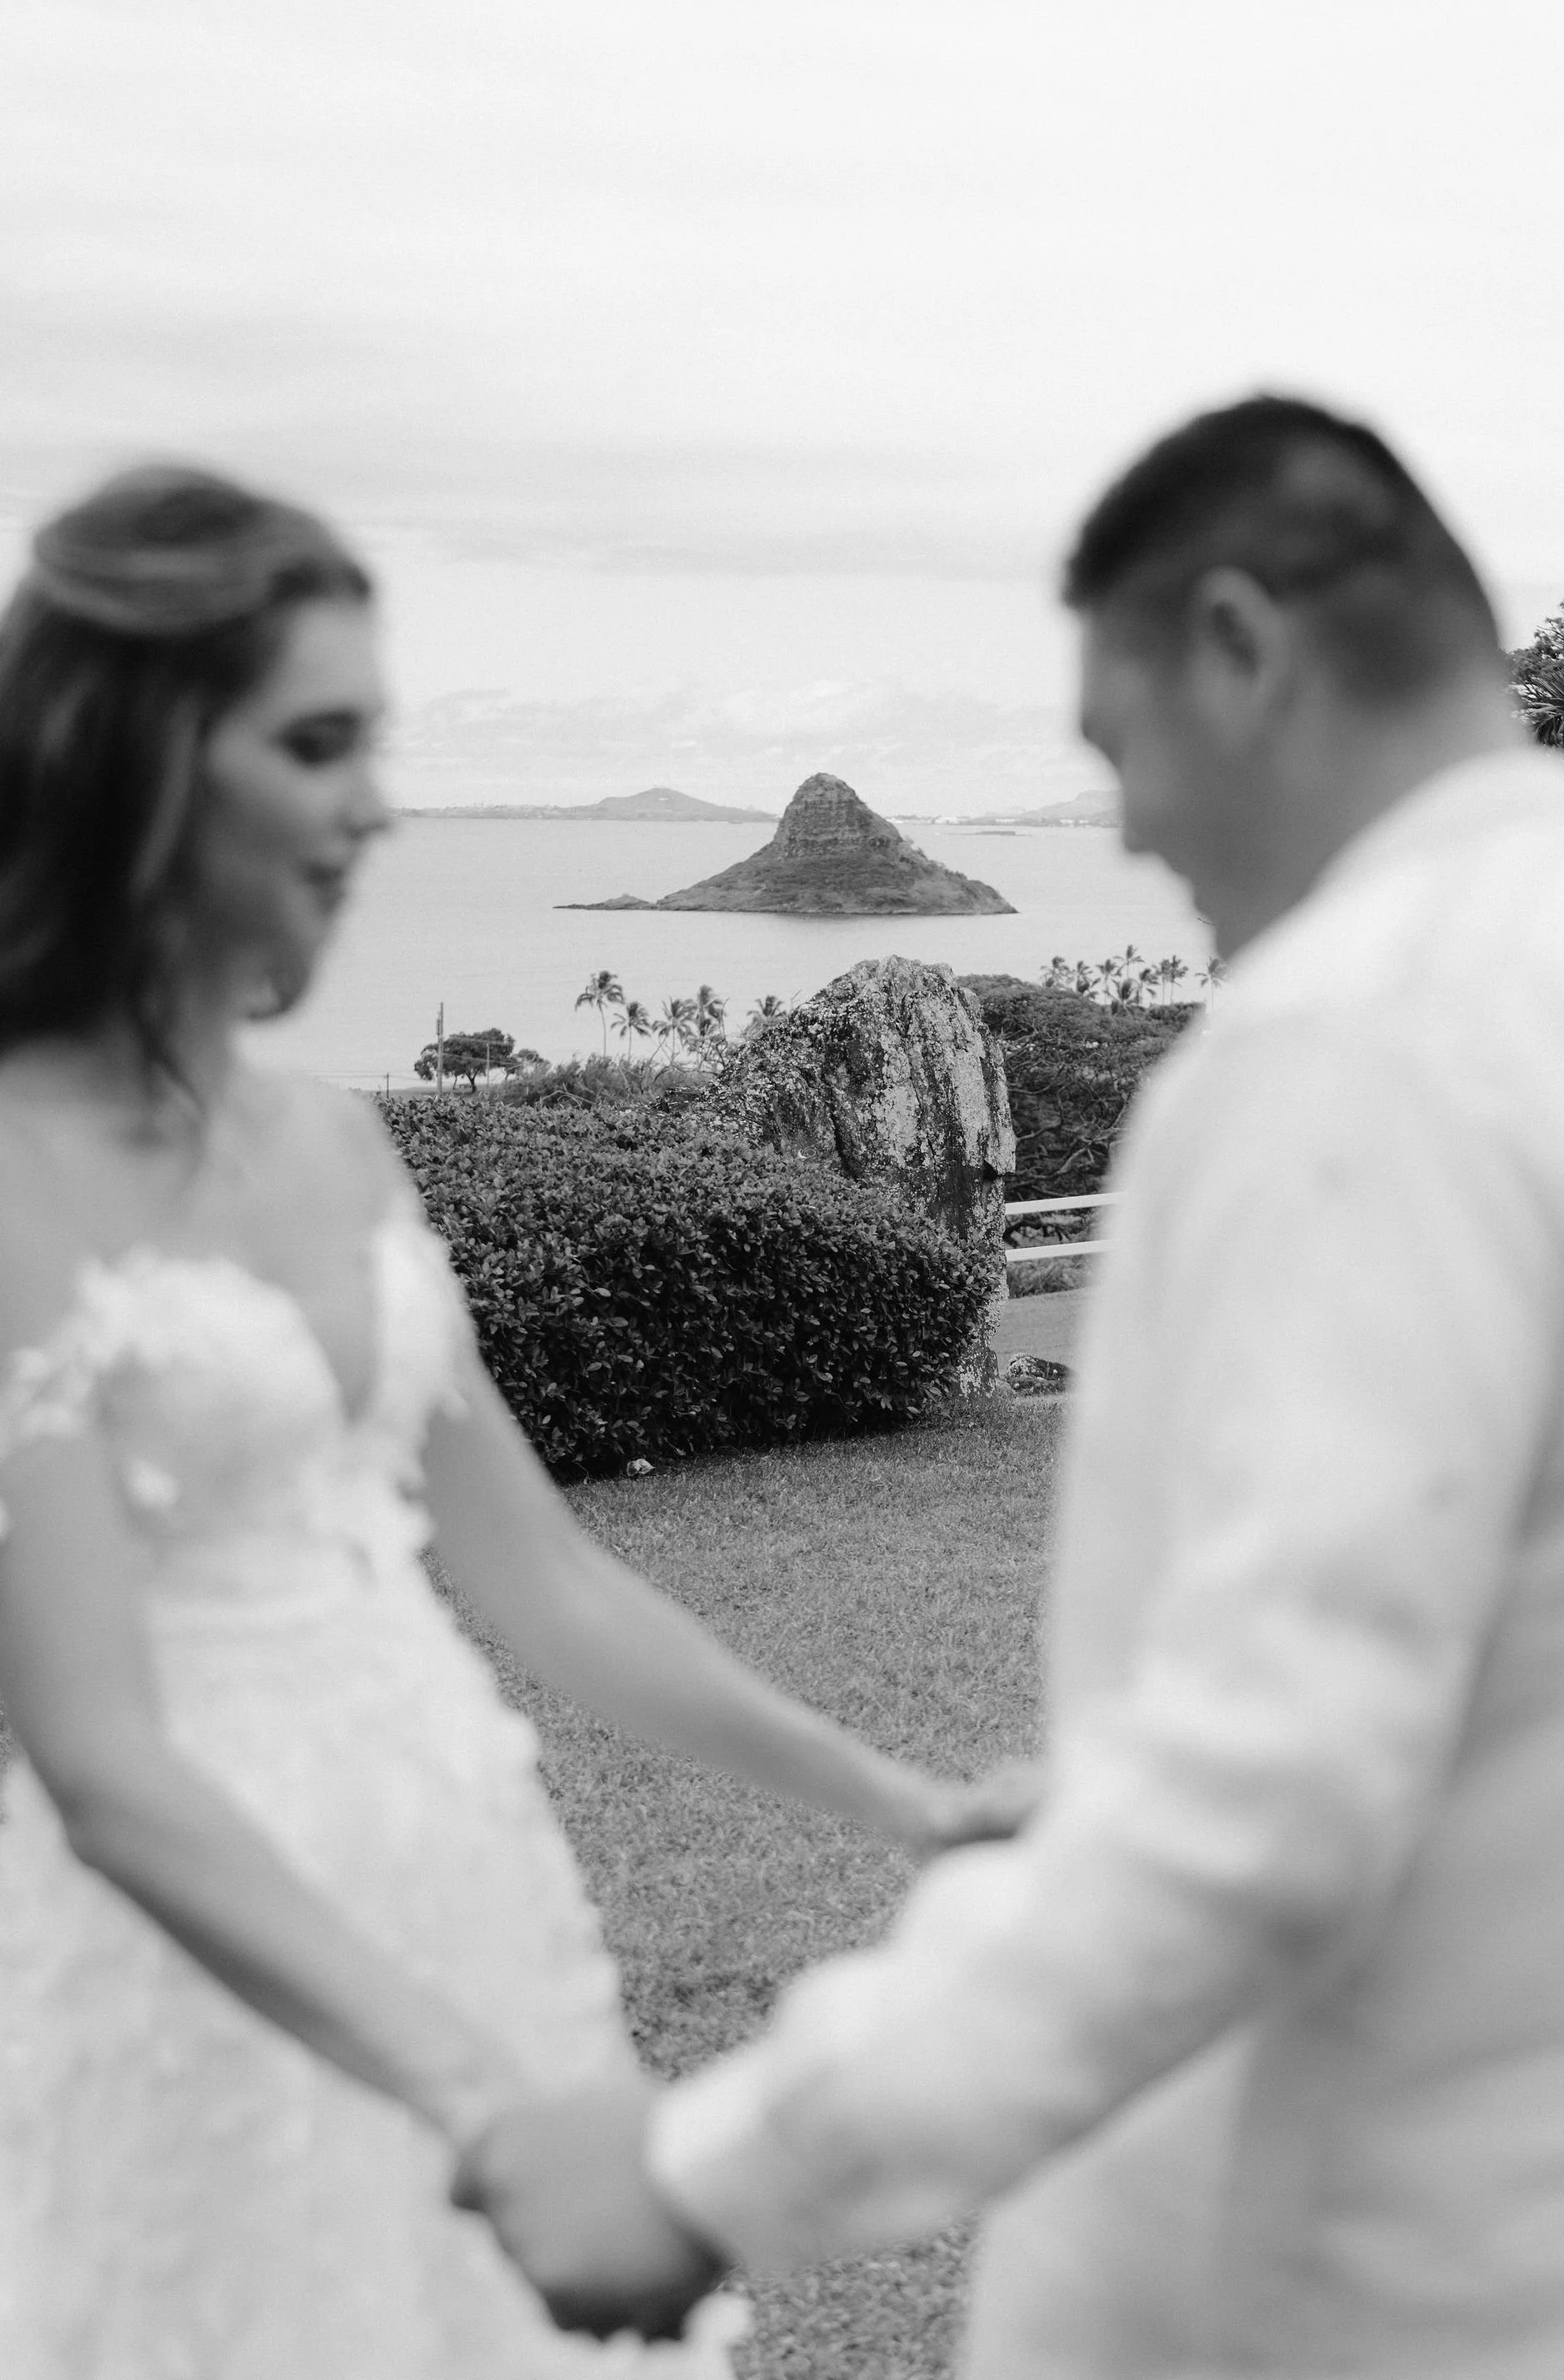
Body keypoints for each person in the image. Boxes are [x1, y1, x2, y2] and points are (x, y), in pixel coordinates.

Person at [459, 395, 1564, 2379]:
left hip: (1325, 2269)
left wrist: (711, 2172)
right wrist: (1125, 1773)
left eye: (1117, 749)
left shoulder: (1356, 1050)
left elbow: (1267, 1810)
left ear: (1239, 644)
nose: (1123, 830)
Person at [0, 463, 1024, 2380]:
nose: (375, 807)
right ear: (129, 765)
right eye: (318, 746)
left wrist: (902, 1802)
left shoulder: (331, 1136)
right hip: (199, 1959)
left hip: (461, 1879)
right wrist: (475, 2104)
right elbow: (98, 1760)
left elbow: (545, 1582)